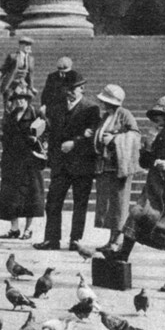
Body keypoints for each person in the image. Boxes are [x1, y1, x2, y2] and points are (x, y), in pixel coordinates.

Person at [105, 96, 165, 291]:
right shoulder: (159, 134)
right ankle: (121, 257)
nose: (157, 119)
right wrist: (147, 147)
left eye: (161, 115)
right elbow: (145, 163)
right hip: (155, 188)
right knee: (137, 216)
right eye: (156, 115)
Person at [33, 73, 101, 251]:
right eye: (66, 89)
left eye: (73, 89)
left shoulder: (91, 108)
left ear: (82, 89)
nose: (69, 92)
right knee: (53, 202)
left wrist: (75, 143)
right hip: (60, 164)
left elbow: (94, 135)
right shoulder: (56, 107)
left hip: (82, 165)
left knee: (80, 204)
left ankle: (75, 240)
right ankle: (51, 239)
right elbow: (51, 131)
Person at [92, 84, 141, 252]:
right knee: (109, 205)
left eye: (105, 101)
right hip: (105, 166)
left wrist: (114, 139)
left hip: (120, 166)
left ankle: (117, 240)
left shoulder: (125, 114)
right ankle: (111, 239)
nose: (102, 103)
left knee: (119, 204)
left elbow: (135, 135)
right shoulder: (106, 116)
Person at [0, 85, 45, 240]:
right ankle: (14, 228)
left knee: (31, 195)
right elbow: (5, 135)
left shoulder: (36, 114)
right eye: (17, 99)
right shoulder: (11, 115)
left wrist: (37, 140)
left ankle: (28, 229)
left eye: (23, 98)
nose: (19, 101)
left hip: (29, 160)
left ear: (28, 100)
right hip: (12, 160)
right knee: (11, 195)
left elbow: (47, 133)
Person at [0, 36, 37, 110]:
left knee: (24, 106)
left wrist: (31, 87)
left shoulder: (31, 59)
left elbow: (30, 75)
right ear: (21, 46)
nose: (29, 47)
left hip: (22, 85)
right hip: (11, 85)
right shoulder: (13, 57)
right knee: (9, 108)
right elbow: (3, 69)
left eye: (30, 45)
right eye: (26, 45)